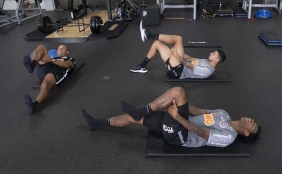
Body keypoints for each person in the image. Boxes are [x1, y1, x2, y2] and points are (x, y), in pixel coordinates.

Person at [81, 86, 261, 148]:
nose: (252, 121)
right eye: (254, 122)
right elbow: (197, 111)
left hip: (182, 135)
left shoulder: (229, 136)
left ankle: (142, 110)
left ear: (246, 133)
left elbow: (201, 133)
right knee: (131, 117)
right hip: (178, 122)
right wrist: (175, 106)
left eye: (253, 126)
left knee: (178, 91)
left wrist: (177, 115)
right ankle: (95, 123)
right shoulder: (224, 113)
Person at [130, 21, 226, 79]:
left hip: (178, 72)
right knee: (157, 44)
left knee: (178, 39)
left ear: (216, 60)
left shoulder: (208, 70)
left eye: (214, 54)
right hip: (177, 64)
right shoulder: (205, 61)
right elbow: (191, 60)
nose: (211, 53)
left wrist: (176, 56)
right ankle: (142, 66)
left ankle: (149, 34)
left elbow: (189, 66)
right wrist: (181, 54)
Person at [23, 44, 76, 115]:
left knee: (45, 84)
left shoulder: (70, 59)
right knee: (41, 46)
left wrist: (51, 60)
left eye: (62, 48)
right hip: (44, 67)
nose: (60, 49)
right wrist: (48, 59)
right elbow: (47, 58)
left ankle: (34, 105)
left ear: (67, 52)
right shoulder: (52, 58)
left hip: (55, 72)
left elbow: (67, 65)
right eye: (59, 48)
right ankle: (32, 65)